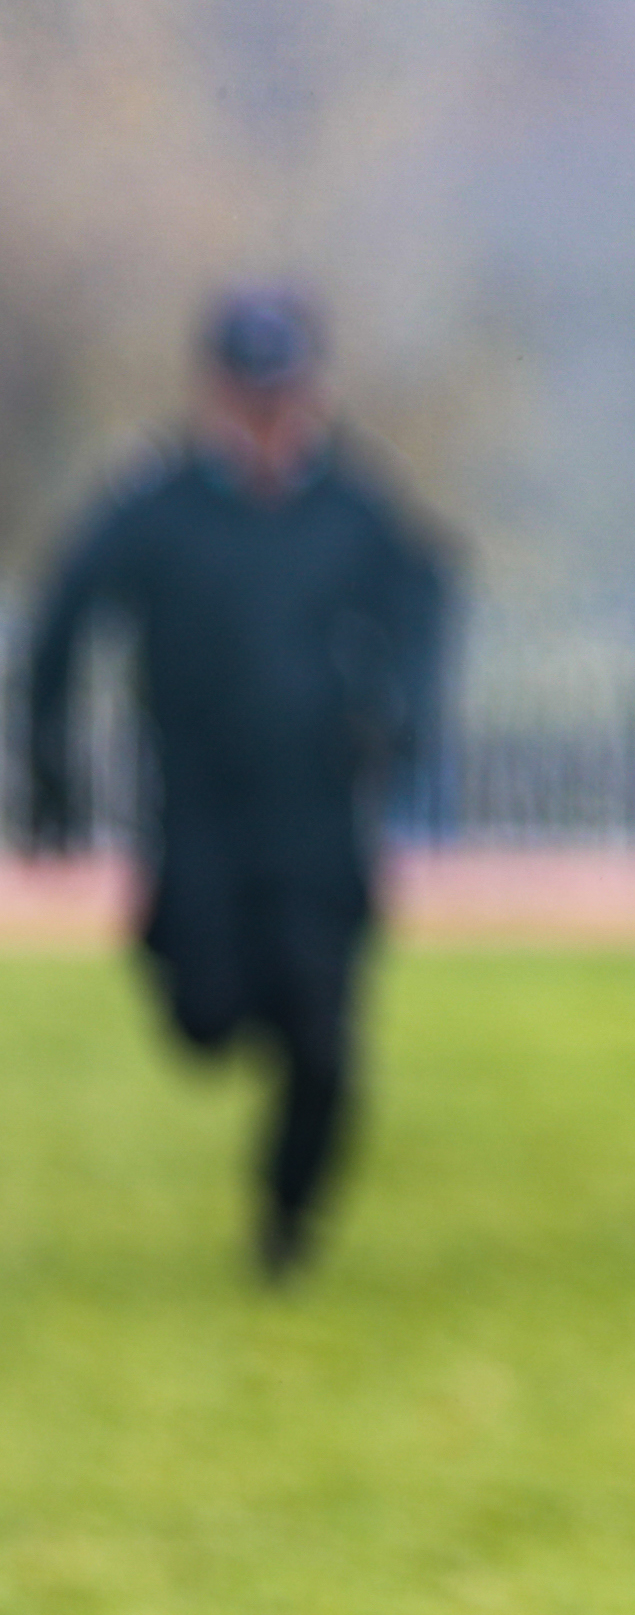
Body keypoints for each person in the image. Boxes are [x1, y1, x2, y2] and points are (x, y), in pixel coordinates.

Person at [13, 289, 452, 1276]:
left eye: (283, 393)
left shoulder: (351, 509)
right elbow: (64, 618)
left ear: (311, 393)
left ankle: (286, 1230)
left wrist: (407, 716)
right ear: (213, 395)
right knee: (204, 1019)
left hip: (317, 815)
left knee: (327, 1049)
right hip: (201, 813)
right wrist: (48, 772)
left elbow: (426, 600)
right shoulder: (159, 509)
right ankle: (256, 999)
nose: (266, 416)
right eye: (247, 395)